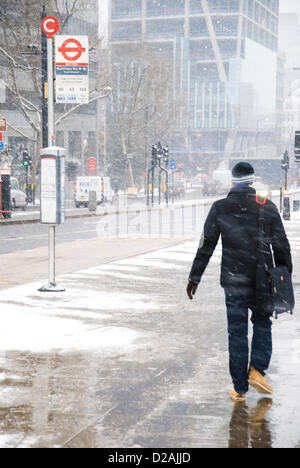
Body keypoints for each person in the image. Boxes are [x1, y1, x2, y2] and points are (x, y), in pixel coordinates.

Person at [186, 162, 292, 402]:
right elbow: (281, 245)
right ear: (252, 182)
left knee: (237, 333)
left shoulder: (221, 208)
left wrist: (195, 277)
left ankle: (239, 388)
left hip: (234, 280)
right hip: (262, 280)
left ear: (232, 182)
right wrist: (285, 274)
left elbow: (206, 246)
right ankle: (257, 371)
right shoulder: (267, 207)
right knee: (263, 323)